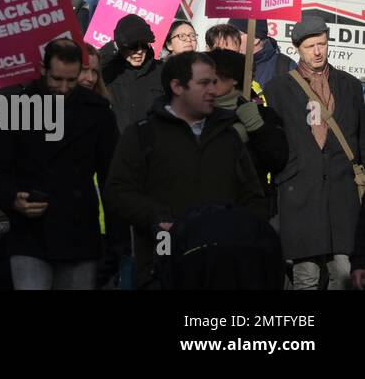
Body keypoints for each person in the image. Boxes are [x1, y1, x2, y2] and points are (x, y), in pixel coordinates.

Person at [104, 51, 269, 289]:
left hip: (220, 266)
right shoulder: (142, 134)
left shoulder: (227, 136)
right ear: (177, 87)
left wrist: (237, 230)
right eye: (203, 83)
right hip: (162, 264)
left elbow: (253, 198)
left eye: (214, 82)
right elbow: (117, 191)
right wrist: (156, 217)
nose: (212, 90)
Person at [0, 39, 119, 290]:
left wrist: (114, 244)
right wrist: (13, 198)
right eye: (57, 79)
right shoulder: (16, 109)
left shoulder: (97, 112)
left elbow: (113, 179)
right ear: (43, 70)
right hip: (30, 234)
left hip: (79, 234)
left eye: (71, 80)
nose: (64, 87)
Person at [264, 14, 365, 290]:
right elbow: (273, 146)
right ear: (297, 48)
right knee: (306, 277)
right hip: (300, 197)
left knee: (345, 276)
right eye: (310, 46)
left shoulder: (351, 86)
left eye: (322, 44)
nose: (318, 51)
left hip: (343, 198)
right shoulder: (277, 89)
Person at [208, 49, 289, 204]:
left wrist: (257, 127)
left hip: (250, 208)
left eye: (214, 76)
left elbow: (277, 161)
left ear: (233, 79)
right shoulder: (194, 111)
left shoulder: (263, 115)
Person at [100, 14, 163, 133]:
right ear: (120, 46)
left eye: (144, 45)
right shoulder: (109, 71)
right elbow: (91, 65)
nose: (139, 51)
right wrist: (114, 45)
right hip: (116, 145)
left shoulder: (161, 71)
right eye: (133, 45)